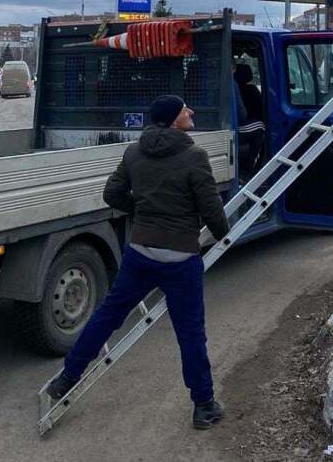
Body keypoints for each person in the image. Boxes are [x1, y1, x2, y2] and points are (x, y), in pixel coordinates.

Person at [46, 94, 230, 429]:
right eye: (184, 108)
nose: (190, 111)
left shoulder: (134, 152)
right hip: (180, 258)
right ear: (174, 118)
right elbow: (212, 210)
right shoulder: (194, 155)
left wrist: (143, 212)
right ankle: (204, 406)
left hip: (141, 251)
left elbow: (111, 194)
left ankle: (66, 378)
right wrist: (221, 234)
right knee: (190, 334)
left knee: (107, 316)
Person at [233, 63, 265, 182]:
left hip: (231, 125)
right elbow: (242, 114)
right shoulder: (235, 85)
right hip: (236, 126)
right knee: (260, 126)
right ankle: (249, 169)